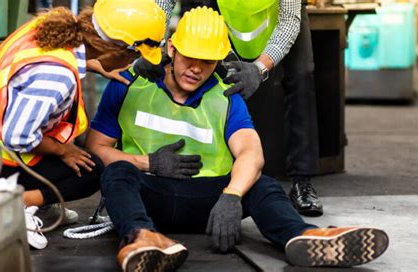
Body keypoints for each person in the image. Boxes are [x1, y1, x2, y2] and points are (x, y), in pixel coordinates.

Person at [86, 7, 388, 271]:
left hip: (209, 201)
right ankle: (142, 239)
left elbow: (251, 153)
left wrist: (232, 196)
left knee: (262, 183)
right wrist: (148, 162)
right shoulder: (129, 83)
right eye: (190, 56)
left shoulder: (226, 95)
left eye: (207, 61)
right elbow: (96, 149)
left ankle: (303, 236)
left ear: (218, 62)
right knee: (117, 173)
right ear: (172, 49)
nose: (196, 68)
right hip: (151, 194)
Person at [0, 0, 166, 249]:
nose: (132, 64)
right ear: (117, 49)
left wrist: (94, 65)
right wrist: (63, 151)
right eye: (134, 56)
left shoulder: (53, 25)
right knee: (91, 170)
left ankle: (35, 200)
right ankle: (12, 205)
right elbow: (17, 137)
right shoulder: (57, 75)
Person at [137, 0, 324, 217]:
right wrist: (152, 47)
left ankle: (302, 182)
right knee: (203, 64)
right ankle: (201, 171)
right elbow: (164, 2)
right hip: (218, 5)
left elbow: (289, 21)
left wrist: (259, 68)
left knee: (301, 74)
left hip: (277, 15)